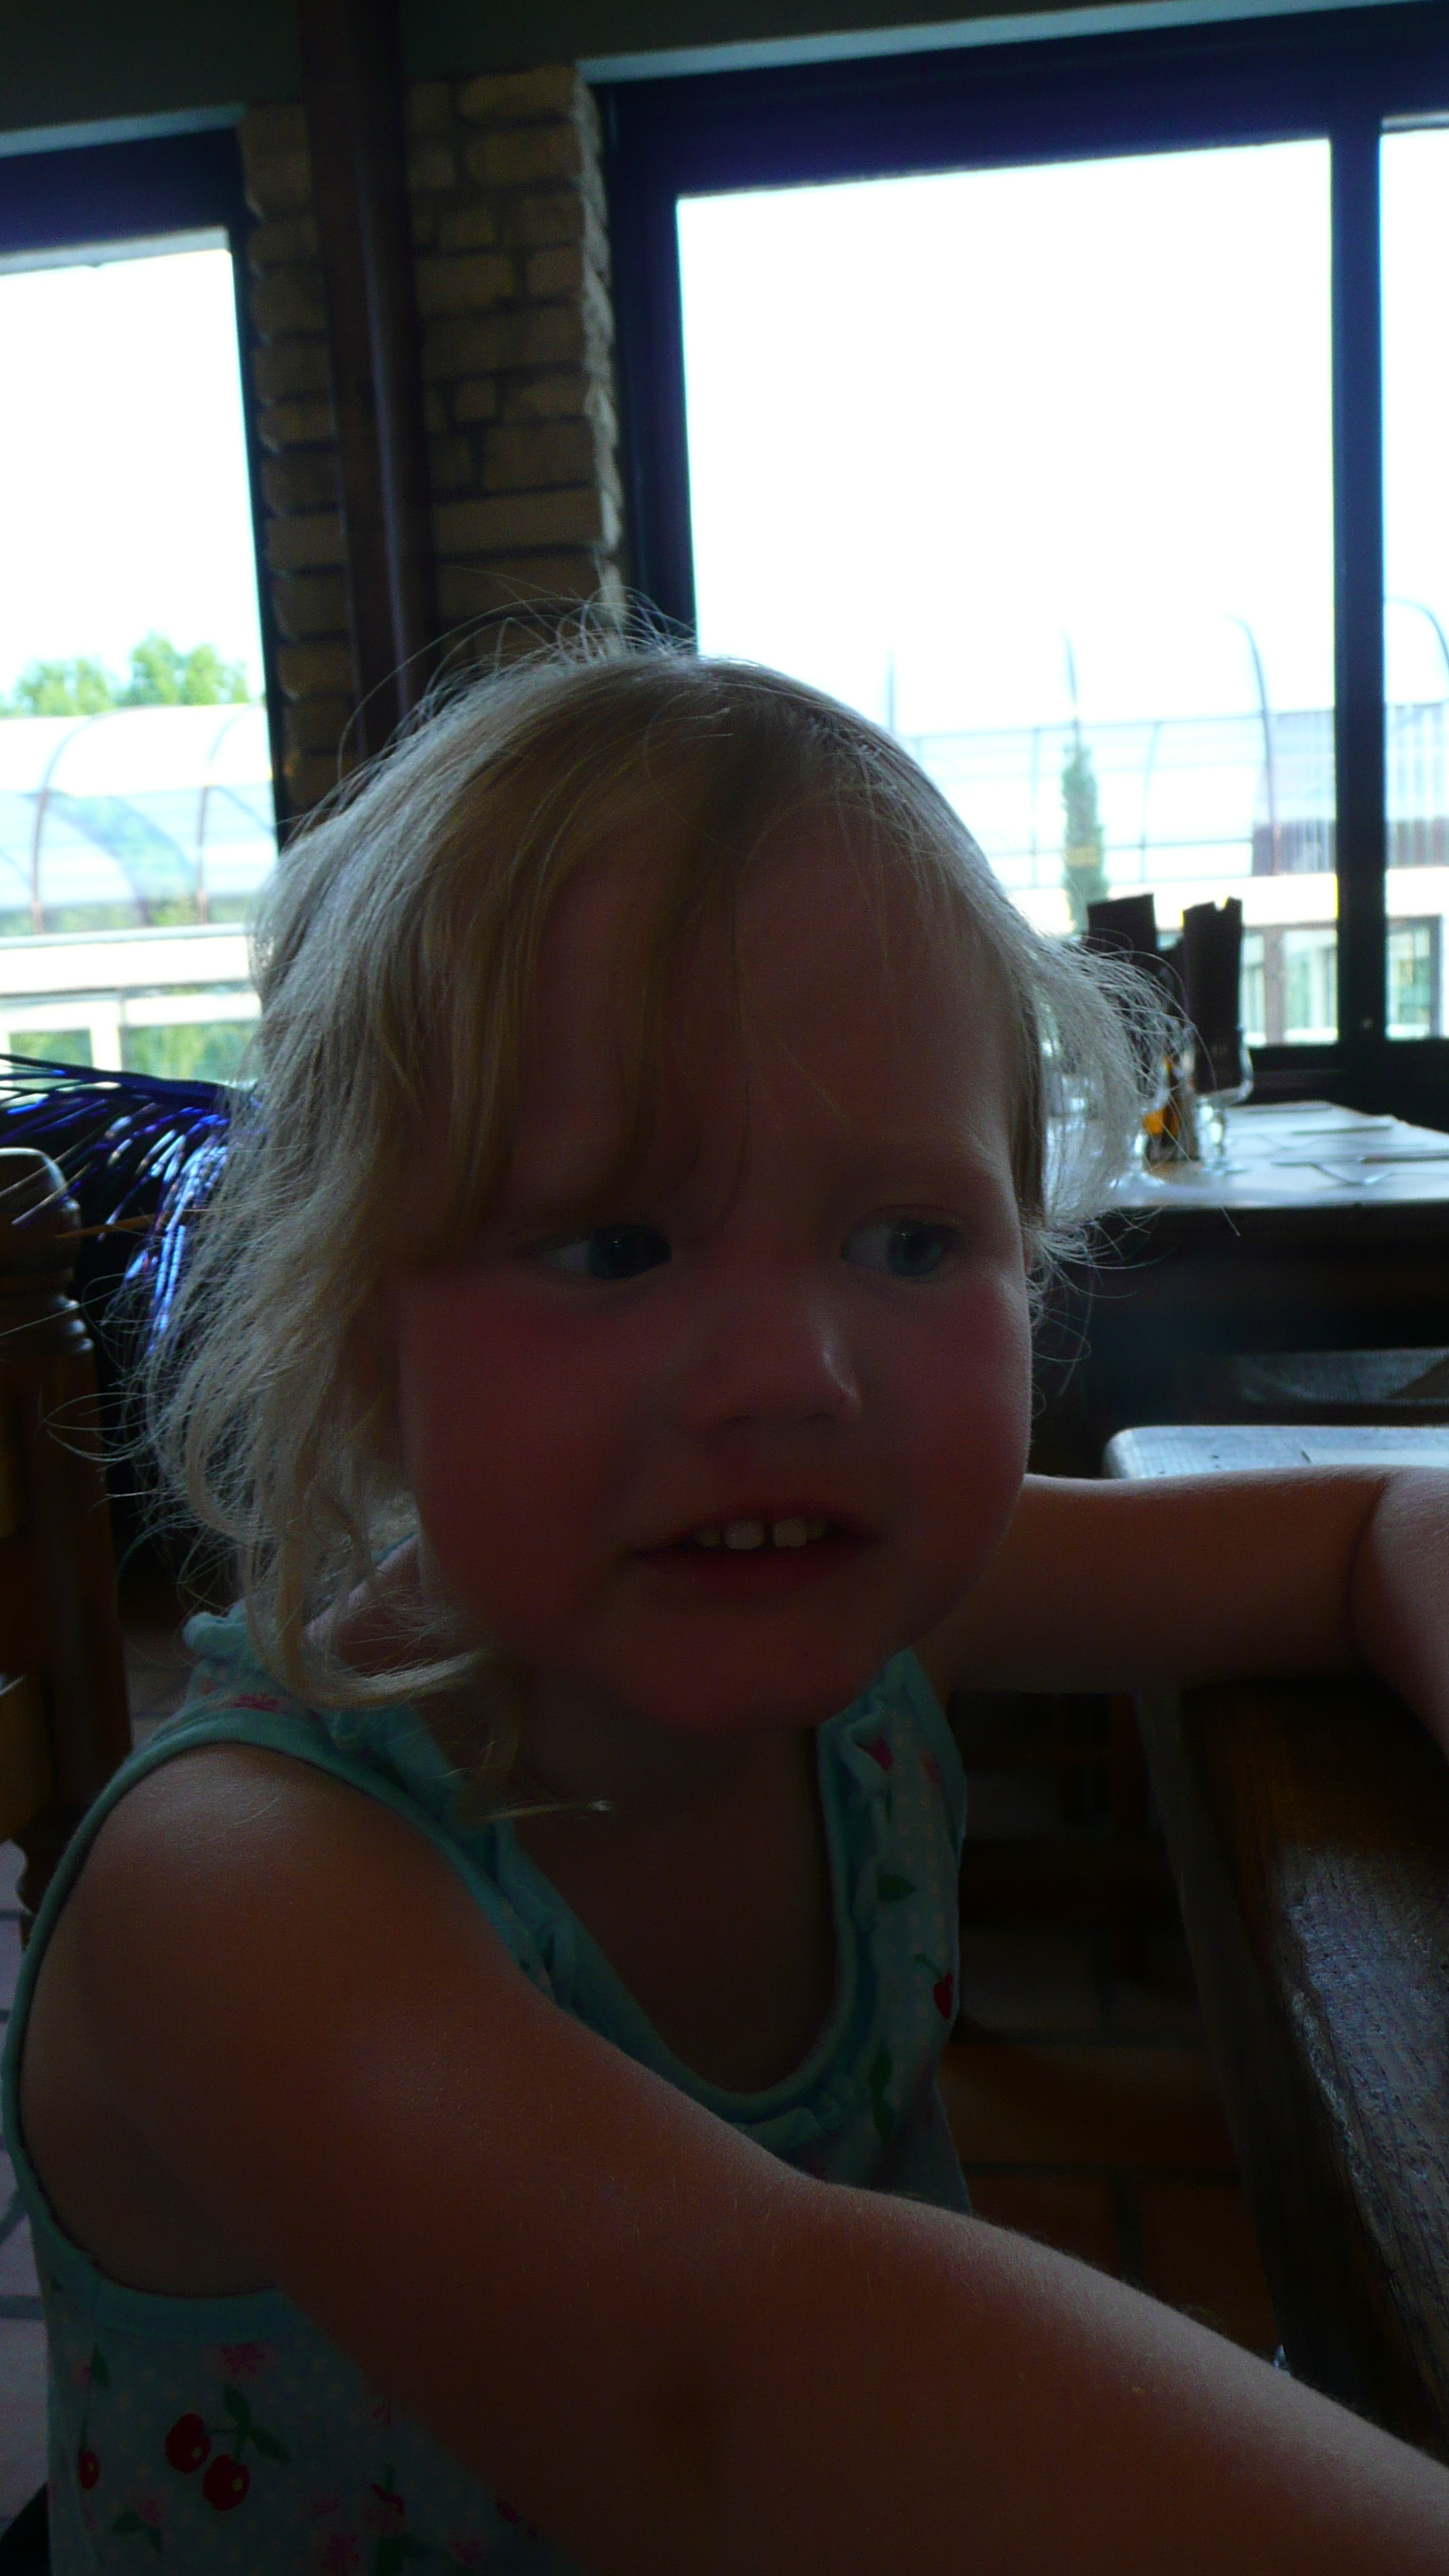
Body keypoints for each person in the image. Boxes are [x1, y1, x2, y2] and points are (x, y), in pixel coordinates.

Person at [5, 643, 1449, 2575]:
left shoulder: (875, 1609)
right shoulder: (232, 1891)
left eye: (907, 1238)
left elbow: (1374, 1525)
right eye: (618, 1243)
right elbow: (730, 2389)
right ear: (359, 1342)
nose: (795, 1373)